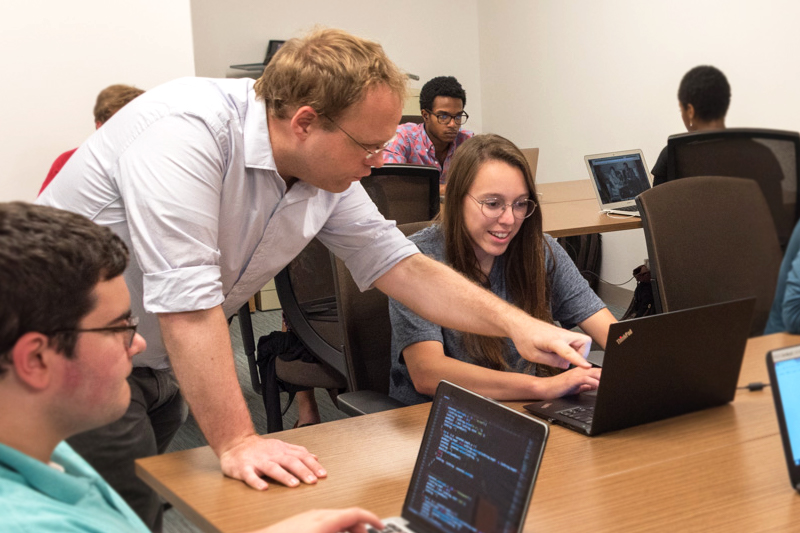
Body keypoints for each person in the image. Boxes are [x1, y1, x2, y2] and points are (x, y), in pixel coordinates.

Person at [37, 28, 591, 529]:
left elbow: (401, 266)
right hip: (65, 357)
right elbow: (188, 306)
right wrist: (237, 440)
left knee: (135, 510)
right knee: (101, 517)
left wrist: (517, 326)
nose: (376, 163)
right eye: (368, 145)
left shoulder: (321, 173)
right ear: (305, 121)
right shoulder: (186, 134)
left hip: (158, 360)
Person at [0, 201, 385, 533]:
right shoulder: (30, 522)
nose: (138, 343)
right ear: (35, 359)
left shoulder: (44, 450)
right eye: (119, 327)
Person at [388, 134, 616, 405]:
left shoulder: (538, 249)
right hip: (441, 416)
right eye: (493, 203)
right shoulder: (417, 260)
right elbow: (427, 372)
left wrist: (648, 361)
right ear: (456, 198)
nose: (509, 219)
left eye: (520, 204)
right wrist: (543, 387)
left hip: (522, 406)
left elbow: (611, 331)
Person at [40, 84, 144, 195]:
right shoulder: (68, 161)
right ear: (100, 126)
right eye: (123, 123)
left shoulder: (154, 159)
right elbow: (44, 210)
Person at [383, 75, 474, 194]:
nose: (453, 124)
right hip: (413, 208)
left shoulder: (466, 141)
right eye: (444, 116)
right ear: (425, 115)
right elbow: (387, 178)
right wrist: (443, 189)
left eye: (457, 116)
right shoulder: (404, 137)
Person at [650, 65, 729, 186]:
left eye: (681, 110)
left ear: (690, 111)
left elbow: (654, 204)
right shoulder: (757, 152)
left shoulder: (673, 154)